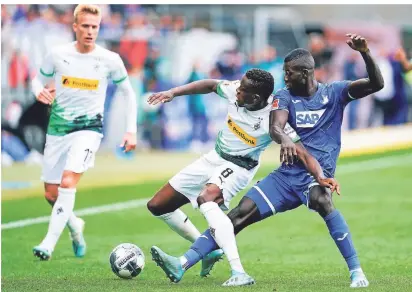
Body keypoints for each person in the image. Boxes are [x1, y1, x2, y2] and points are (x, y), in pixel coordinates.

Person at [150, 33, 383, 288]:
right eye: (284, 71)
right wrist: (283, 139)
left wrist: (365, 53)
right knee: (238, 215)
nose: (284, 77)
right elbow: (276, 127)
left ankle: (357, 272)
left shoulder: (335, 93)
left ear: (305, 73)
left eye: (289, 72)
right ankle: (183, 263)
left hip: (313, 172)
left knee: (322, 200)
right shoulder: (283, 97)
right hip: (285, 176)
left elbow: (376, 84)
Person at [146, 68, 339, 283]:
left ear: (255, 97)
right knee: (158, 205)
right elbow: (210, 85)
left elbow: (301, 150)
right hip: (213, 157)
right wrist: (173, 92)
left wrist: (320, 176)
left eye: (242, 90)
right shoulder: (235, 90)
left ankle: (238, 271)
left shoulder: (274, 116)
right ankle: (209, 251)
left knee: (207, 198)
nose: (236, 90)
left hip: (239, 166)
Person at [31, 4, 137, 260]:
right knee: (51, 193)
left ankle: (48, 243)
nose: (90, 31)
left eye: (95, 27)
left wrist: (130, 130)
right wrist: (38, 90)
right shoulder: (58, 55)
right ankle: (75, 225)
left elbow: (128, 92)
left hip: (89, 130)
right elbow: (36, 78)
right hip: (58, 129)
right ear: (75, 26)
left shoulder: (109, 59)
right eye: (86, 26)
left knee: (68, 182)